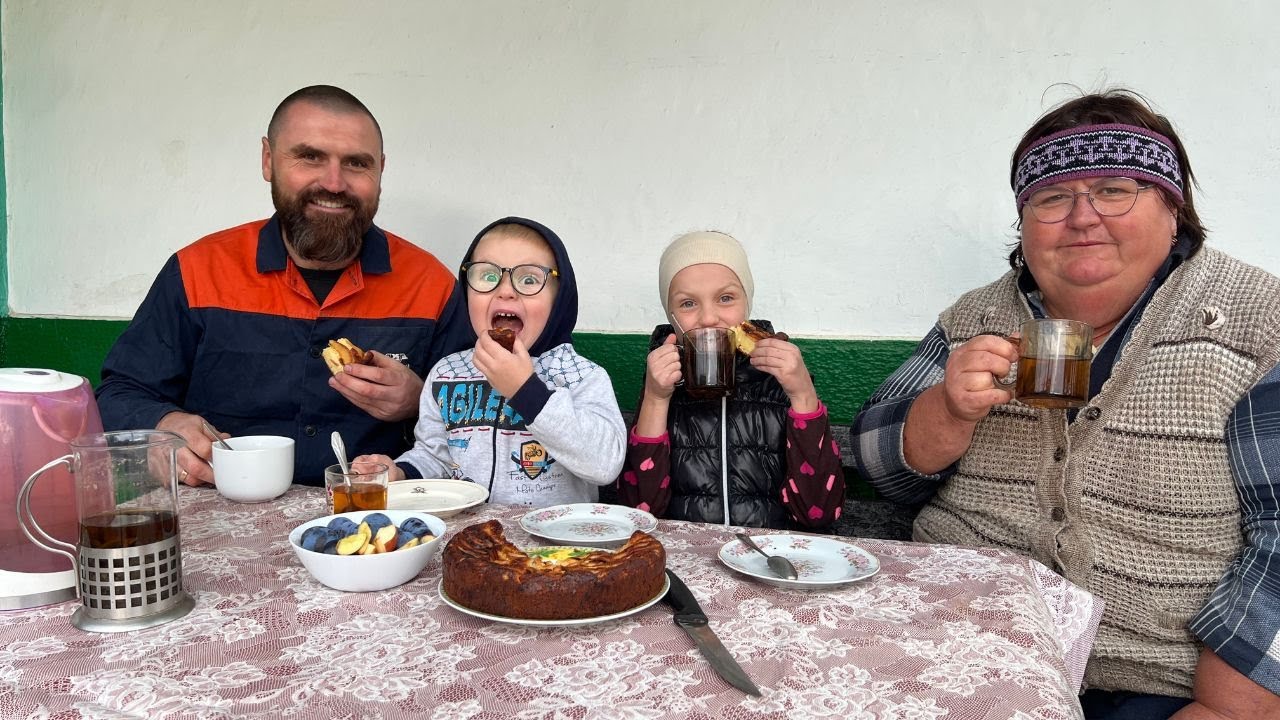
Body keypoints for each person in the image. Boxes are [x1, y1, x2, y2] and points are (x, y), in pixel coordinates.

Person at [851, 89, 1280, 719]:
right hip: (951, 642)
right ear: (1025, 225)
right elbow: (869, 462)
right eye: (1052, 198)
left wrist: (1230, 708)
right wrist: (945, 412)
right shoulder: (977, 316)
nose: (1082, 217)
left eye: (1114, 189)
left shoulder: (1255, 322)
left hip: (1154, 679)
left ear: (1172, 207)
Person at [97, 85, 461, 487]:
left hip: (377, 528)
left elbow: (480, 427)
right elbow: (120, 393)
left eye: (357, 163)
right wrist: (162, 425)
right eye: (309, 157)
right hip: (221, 519)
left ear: (380, 171)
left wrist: (419, 400)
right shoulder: (198, 270)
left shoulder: (432, 285)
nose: (334, 182)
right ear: (268, 160)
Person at [354, 217, 627, 507]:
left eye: (529, 279)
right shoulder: (447, 374)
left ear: (560, 298)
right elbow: (435, 456)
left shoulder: (581, 376)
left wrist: (527, 392)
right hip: (471, 540)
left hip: (555, 546)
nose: (505, 290)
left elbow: (604, 465)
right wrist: (401, 472)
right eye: (487, 276)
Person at [615, 231, 844, 529]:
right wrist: (656, 398)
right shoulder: (664, 383)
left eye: (725, 298)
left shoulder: (780, 379)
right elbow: (639, 515)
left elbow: (819, 514)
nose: (709, 318)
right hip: (688, 558)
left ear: (747, 303)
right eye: (687, 304)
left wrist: (802, 394)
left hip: (769, 555)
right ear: (671, 316)